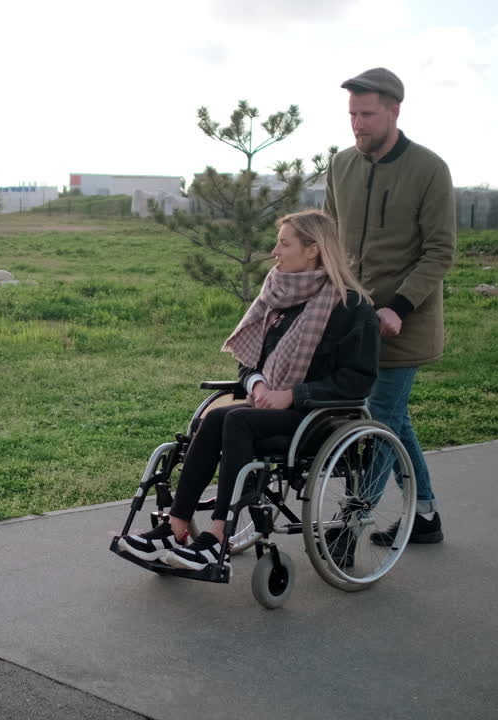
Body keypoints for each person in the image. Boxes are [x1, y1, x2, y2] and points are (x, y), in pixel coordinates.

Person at [118, 209, 379, 571]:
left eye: (284, 243)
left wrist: (292, 395)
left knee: (236, 421)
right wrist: (256, 383)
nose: (275, 251)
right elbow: (248, 359)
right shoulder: (277, 296)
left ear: (313, 249)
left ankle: (217, 538)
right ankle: (175, 528)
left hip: (318, 417)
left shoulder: (352, 307)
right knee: (215, 419)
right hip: (269, 409)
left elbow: (359, 380)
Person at [324, 67, 456, 544]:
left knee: (377, 421)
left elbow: (440, 251)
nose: (357, 124)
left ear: (394, 110)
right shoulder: (340, 165)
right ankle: (425, 516)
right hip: (354, 322)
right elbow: (330, 240)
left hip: (405, 324)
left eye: (367, 114)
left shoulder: (428, 169)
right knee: (394, 420)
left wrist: (398, 306)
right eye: (352, 114)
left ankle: (351, 523)